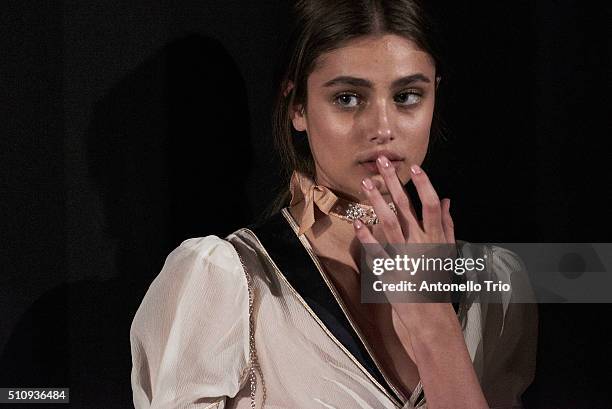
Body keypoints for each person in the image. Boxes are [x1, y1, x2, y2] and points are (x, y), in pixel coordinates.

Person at [129, 0, 538, 408]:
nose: (382, 128)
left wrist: (436, 327)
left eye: (408, 95)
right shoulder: (224, 281)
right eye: (347, 98)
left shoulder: (495, 288)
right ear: (297, 107)